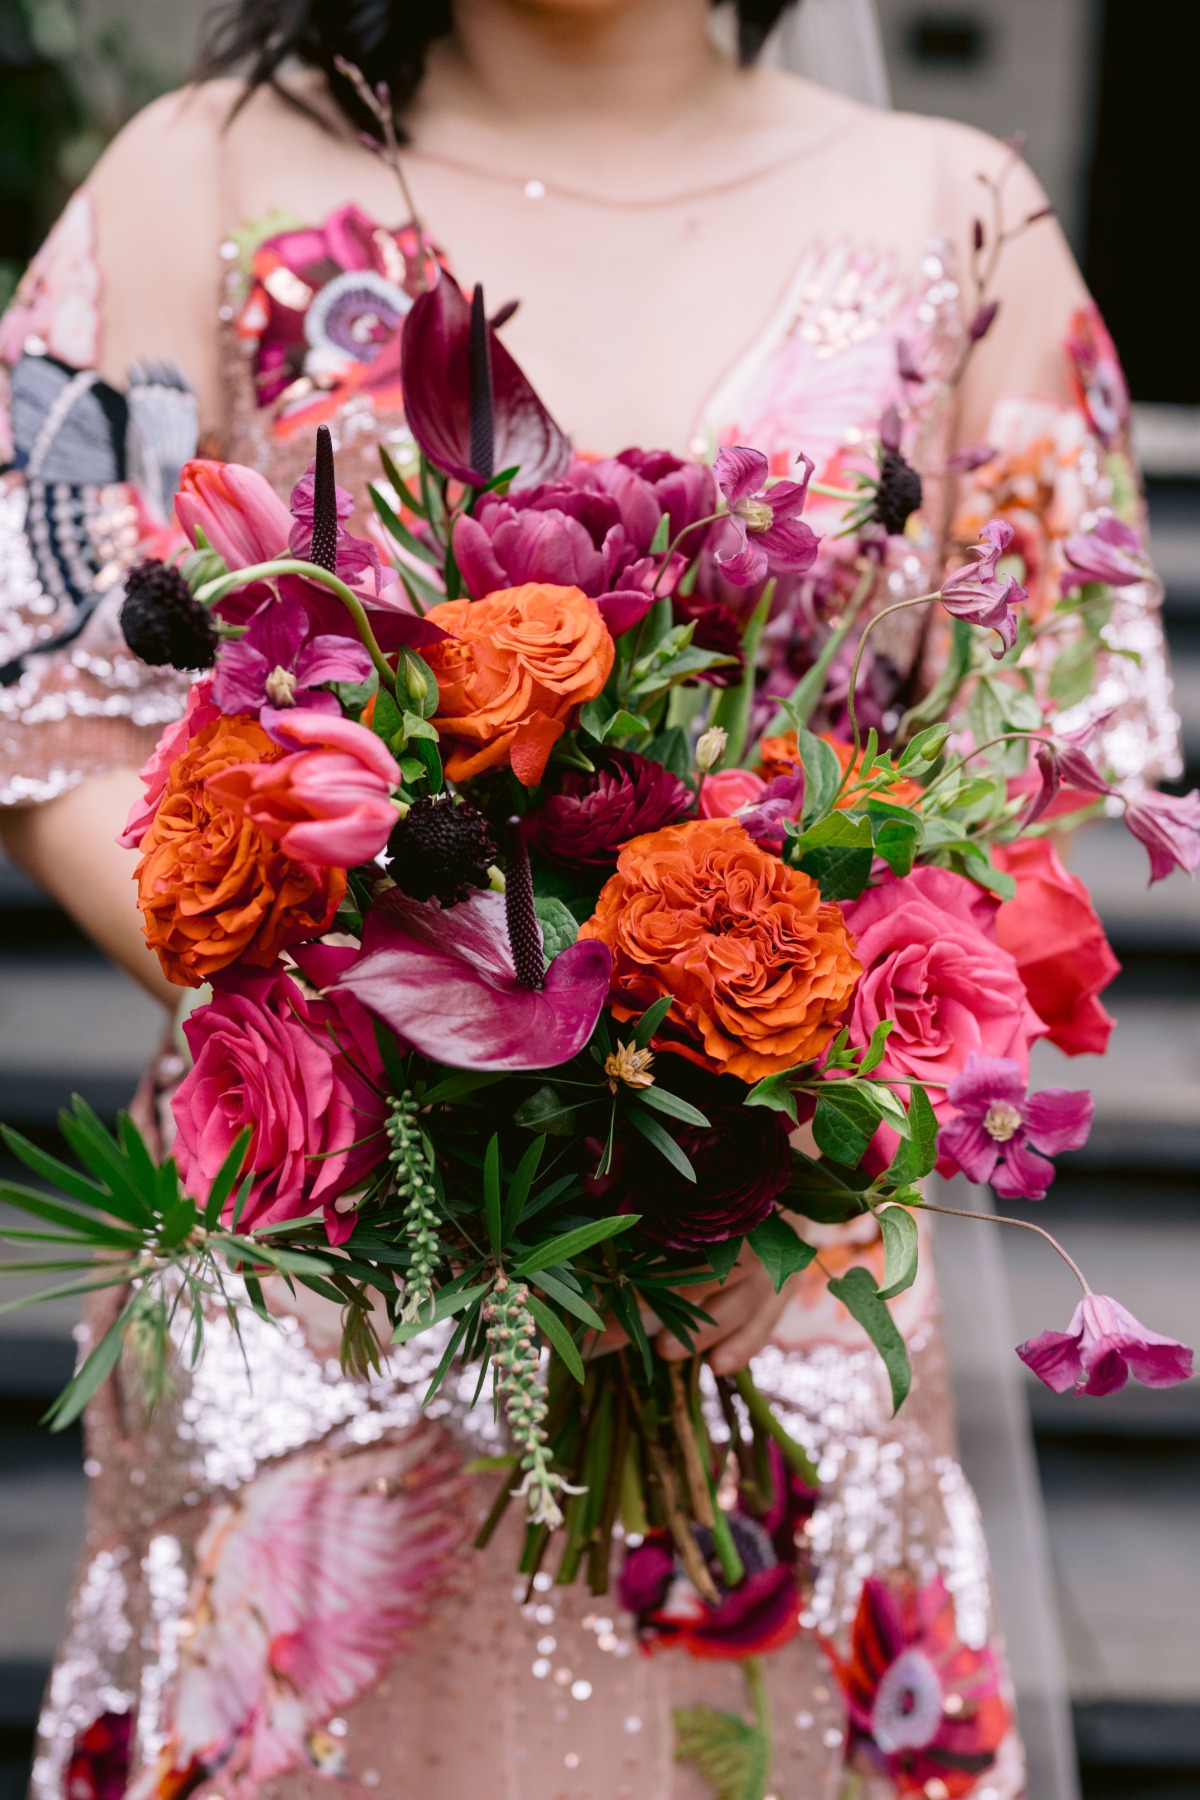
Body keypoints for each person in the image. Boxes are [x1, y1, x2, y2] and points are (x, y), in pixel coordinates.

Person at [0, 2, 1178, 1795]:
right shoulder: (202, 175)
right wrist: (410, 1049)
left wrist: (774, 1140)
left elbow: (1047, 770)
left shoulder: (965, 211)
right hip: (321, 1276)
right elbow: (59, 724)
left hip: (780, 1296)